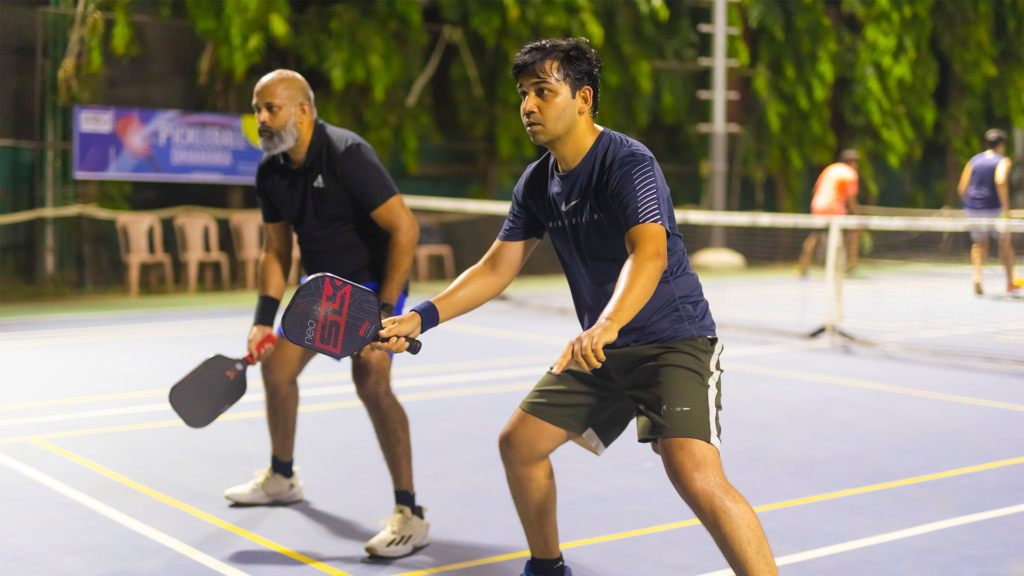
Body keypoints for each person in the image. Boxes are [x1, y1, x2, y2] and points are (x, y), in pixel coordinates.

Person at [375, 39, 778, 576]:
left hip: (671, 340)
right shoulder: (538, 182)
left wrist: (607, 323)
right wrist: (420, 316)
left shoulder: (626, 161)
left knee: (694, 474)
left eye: (543, 91)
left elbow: (649, 253)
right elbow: (496, 268)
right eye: (523, 94)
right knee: (520, 444)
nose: (528, 106)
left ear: (583, 98)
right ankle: (547, 569)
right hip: (604, 349)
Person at [224, 69, 429, 558]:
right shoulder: (270, 170)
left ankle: (410, 513)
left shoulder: (346, 154)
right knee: (276, 370)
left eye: (270, 109)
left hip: (374, 287)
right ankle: (282, 476)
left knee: (372, 379)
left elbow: (405, 229)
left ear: (303, 111)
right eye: (257, 110)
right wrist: (261, 318)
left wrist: (384, 312)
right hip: (323, 292)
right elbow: (275, 250)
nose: (261, 120)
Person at [958, 128, 1021, 295]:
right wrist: (1005, 208)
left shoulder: (973, 161)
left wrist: (972, 205)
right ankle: (1009, 282)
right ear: (1001, 145)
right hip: (994, 209)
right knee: (1005, 244)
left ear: (986, 144)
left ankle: (977, 277)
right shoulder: (1003, 161)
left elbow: (962, 188)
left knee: (978, 244)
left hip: (973, 208)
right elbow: (1000, 180)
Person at [798, 150, 861, 276]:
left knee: (814, 236)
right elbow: (851, 199)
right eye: (854, 162)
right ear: (850, 162)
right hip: (835, 209)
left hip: (817, 205)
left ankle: (803, 266)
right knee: (854, 231)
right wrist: (857, 216)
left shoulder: (830, 169)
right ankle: (850, 266)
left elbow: (815, 189)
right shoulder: (850, 174)